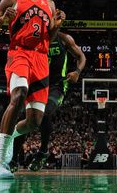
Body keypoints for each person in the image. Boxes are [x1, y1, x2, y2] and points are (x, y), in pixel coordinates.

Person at [0, 0, 66, 180]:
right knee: (19, 95)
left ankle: (8, 137)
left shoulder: (50, 4)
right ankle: (0, 160)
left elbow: (49, 36)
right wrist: (3, 18)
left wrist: (56, 26)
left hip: (42, 60)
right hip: (20, 53)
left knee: (34, 122)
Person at [11, 30, 86, 172]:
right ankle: (14, 158)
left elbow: (81, 56)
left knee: (45, 112)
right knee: (23, 118)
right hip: (37, 83)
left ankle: (43, 151)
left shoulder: (64, 39)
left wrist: (77, 71)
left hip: (56, 86)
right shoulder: (36, 39)